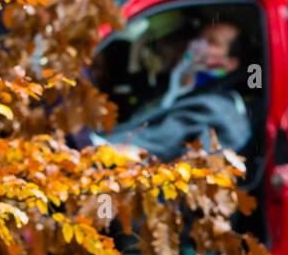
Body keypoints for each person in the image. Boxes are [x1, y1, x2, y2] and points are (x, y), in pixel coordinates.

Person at [100, 20, 253, 161]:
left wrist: (96, 144)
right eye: (201, 37)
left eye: (212, 42)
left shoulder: (219, 109)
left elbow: (154, 144)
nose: (199, 44)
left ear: (230, 64)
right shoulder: (175, 87)